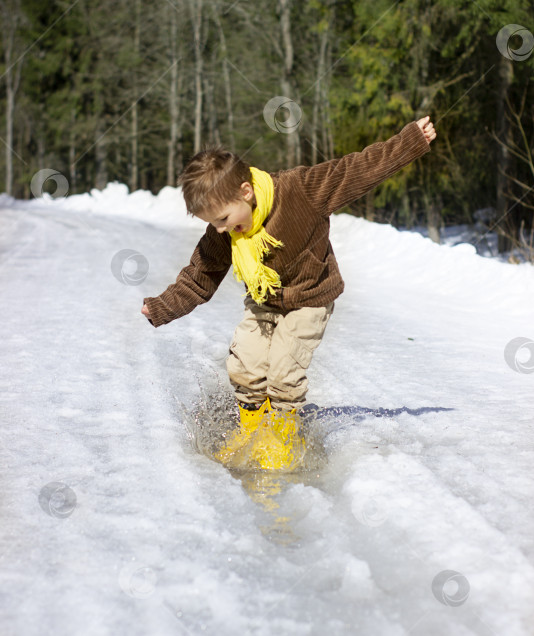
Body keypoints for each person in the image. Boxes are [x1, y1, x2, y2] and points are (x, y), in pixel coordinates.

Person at [142, 116, 436, 469]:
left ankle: (281, 434)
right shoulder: (224, 234)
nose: (220, 229)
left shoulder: (301, 190)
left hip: (310, 297)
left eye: (223, 218)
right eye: (213, 223)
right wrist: (161, 308)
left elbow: (356, 169)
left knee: (283, 370)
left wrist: (409, 141)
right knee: (245, 365)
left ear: (245, 191)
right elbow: (198, 277)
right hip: (265, 299)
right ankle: (252, 429)